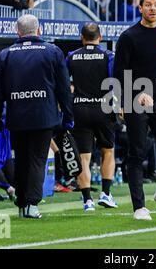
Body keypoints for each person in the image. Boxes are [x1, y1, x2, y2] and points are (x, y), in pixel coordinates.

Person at [0, 14, 73, 219]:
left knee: (21, 159)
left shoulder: (5, 54)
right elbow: (64, 88)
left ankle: (21, 202)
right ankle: (32, 204)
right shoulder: (53, 51)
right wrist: (68, 115)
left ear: (17, 32)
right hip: (44, 115)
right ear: (39, 30)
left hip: (17, 115)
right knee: (38, 158)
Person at [113, 0, 156, 221]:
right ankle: (139, 207)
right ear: (140, 8)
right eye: (148, 5)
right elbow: (118, 73)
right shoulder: (129, 36)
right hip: (135, 100)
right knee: (137, 153)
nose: (152, 8)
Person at [66, 23, 118, 212]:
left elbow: (64, 83)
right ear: (100, 37)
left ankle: (88, 201)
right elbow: (114, 82)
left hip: (79, 108)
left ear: (82, 37)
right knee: (108, 151)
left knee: (83, 157)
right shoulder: (108, 56)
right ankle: (105, 194)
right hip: (103, 108)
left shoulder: (72, 56)